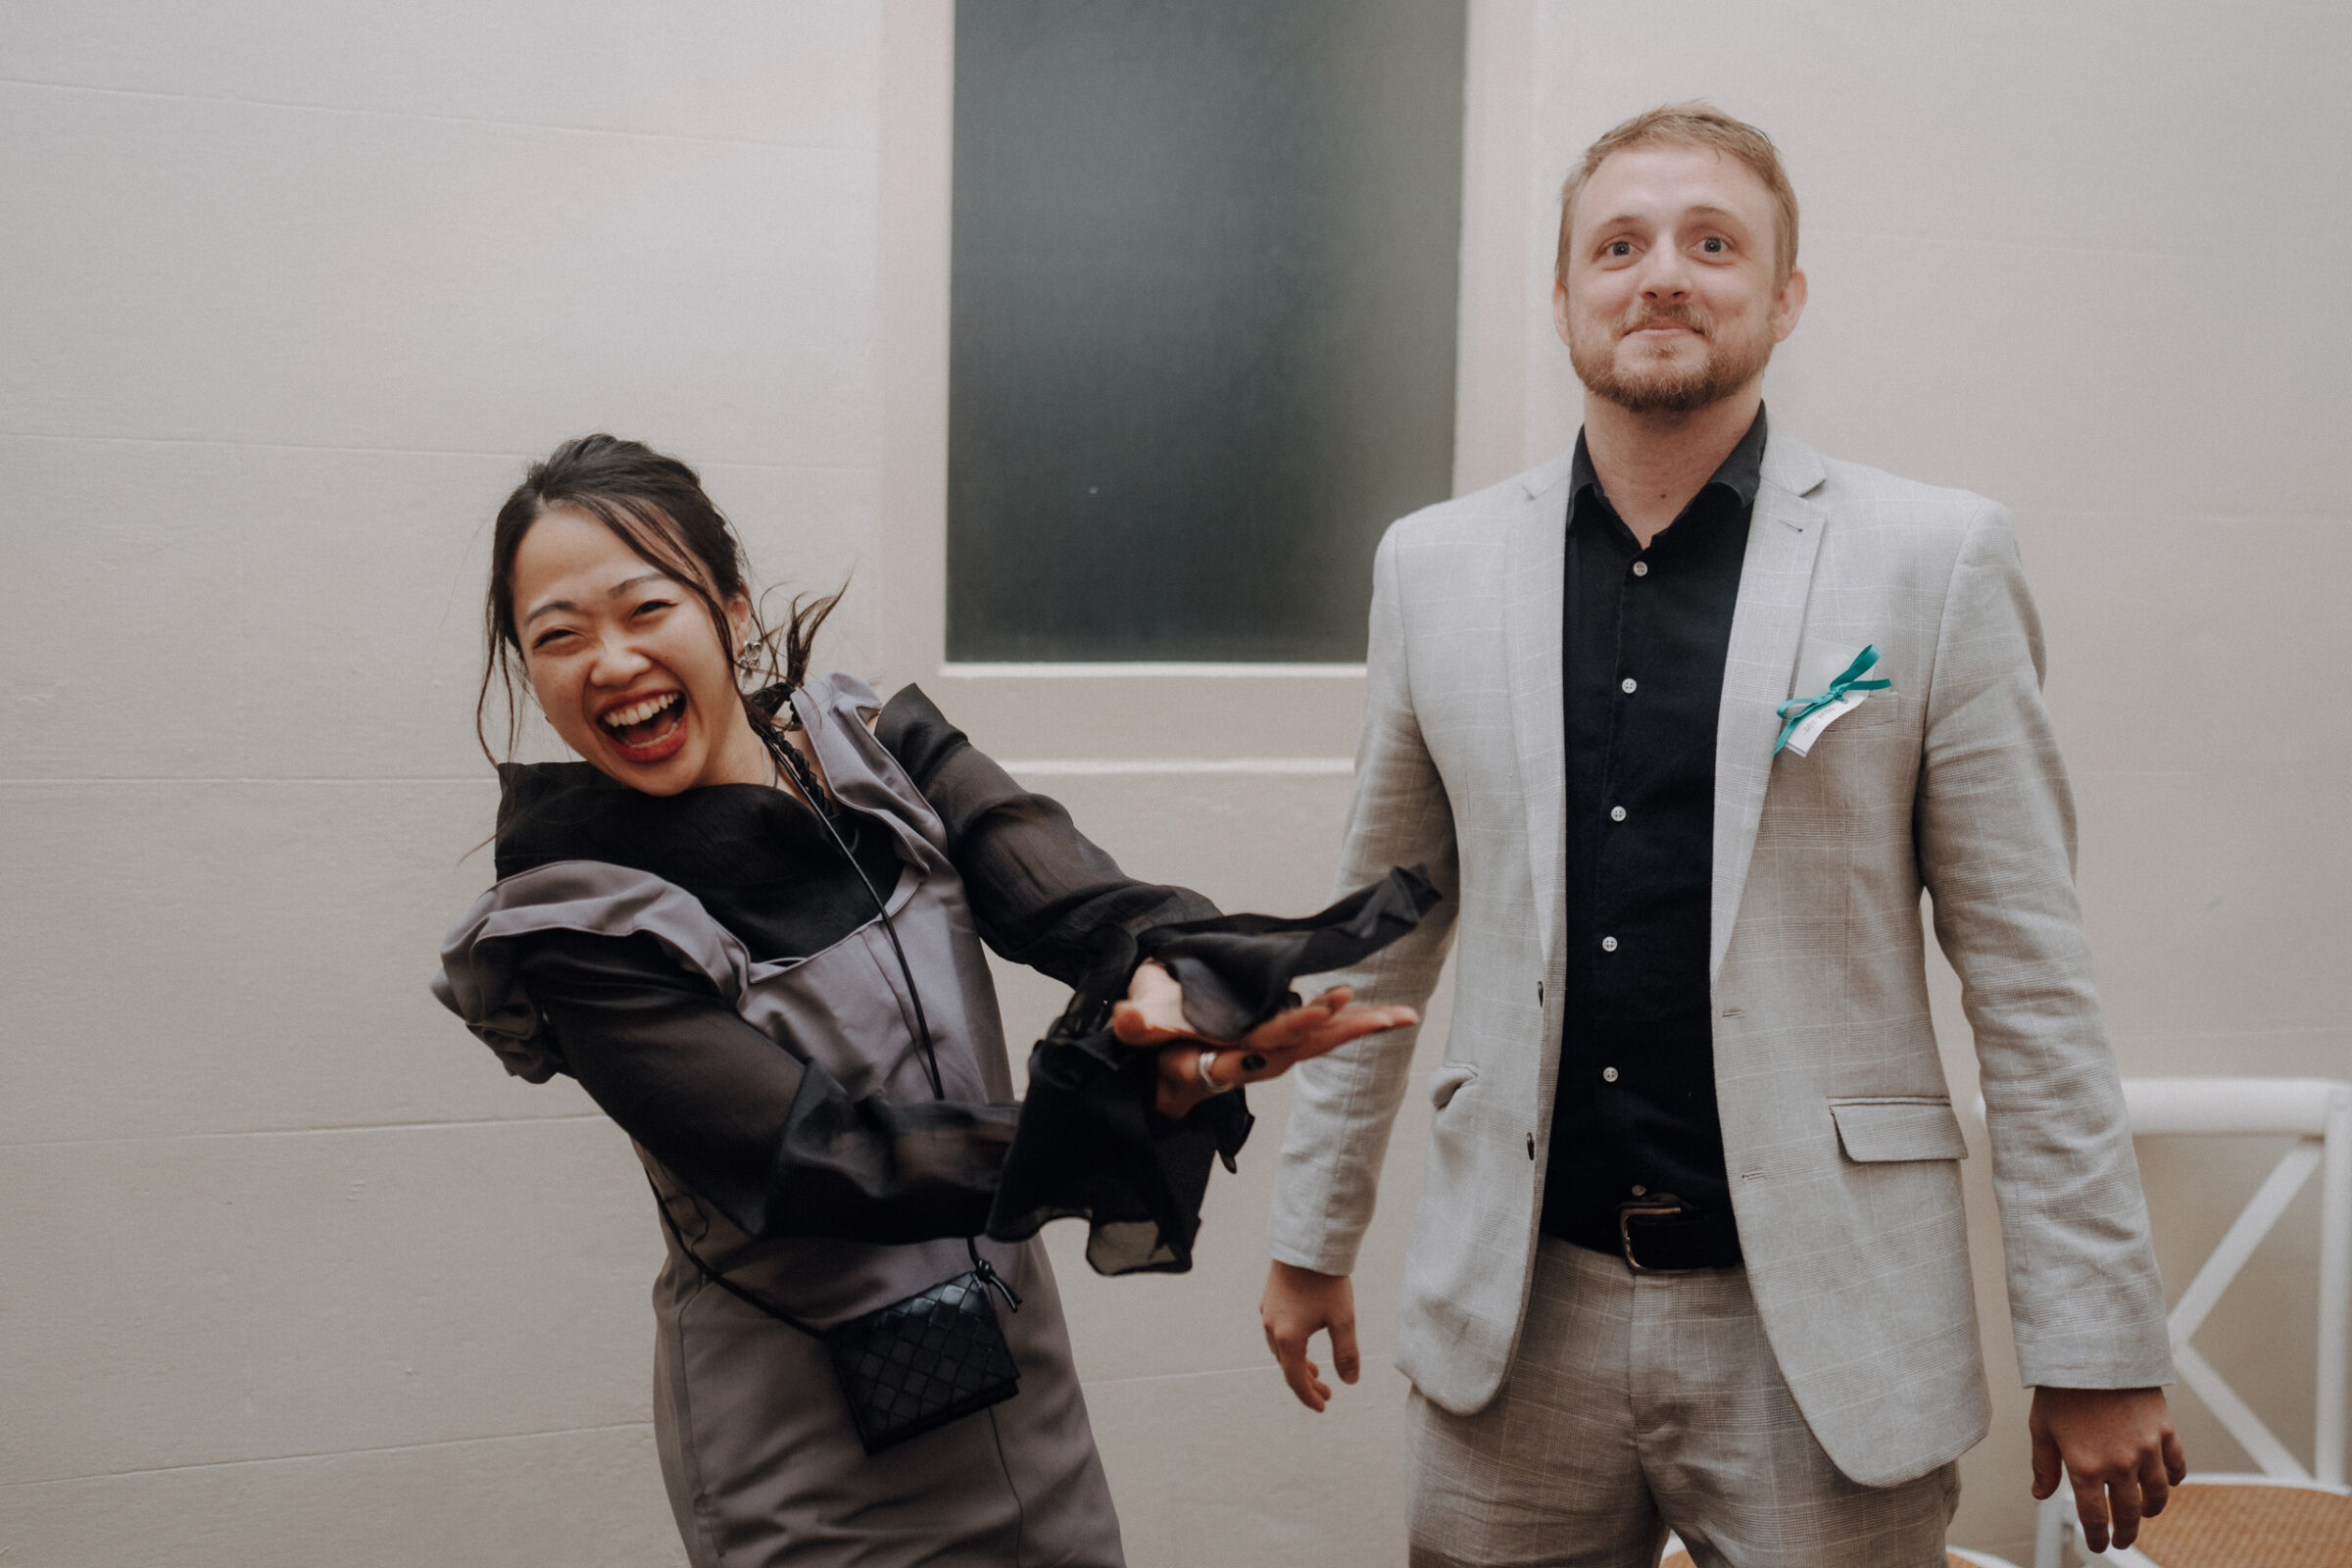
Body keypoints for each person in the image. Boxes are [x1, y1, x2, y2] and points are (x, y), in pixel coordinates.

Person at [1257, 104, 2187, 1567]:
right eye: (1617, 246)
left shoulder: (1932, 561)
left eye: (1712, 243)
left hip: (1823, 1326)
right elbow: (1380, 925)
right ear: (1564, 297)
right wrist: (1313, 1229)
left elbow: (2030, 978)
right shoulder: (1432, 568)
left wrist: (2098, 1336)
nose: (1662, 276)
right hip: (1518, 1312)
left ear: (1784, 295)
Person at [430, 434, 1430, 1568]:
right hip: (807, 1457)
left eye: (643, 608)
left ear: (731, 610)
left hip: (1020, 1387)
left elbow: (1080, 899)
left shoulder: (871, 749)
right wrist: (1125, 1103)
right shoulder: (571, 918)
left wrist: (1171, 985)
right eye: (557, 636)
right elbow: (826, 1158)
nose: (608, 661)